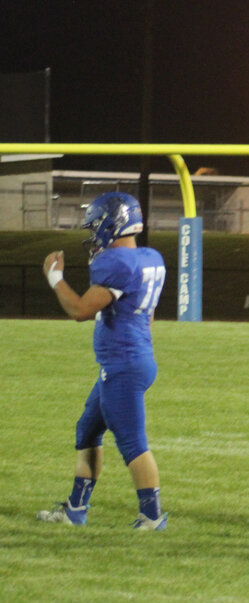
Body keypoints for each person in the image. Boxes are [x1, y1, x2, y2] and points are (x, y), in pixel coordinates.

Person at [37, 191, 168, 530]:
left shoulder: (116, 263)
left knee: (132, 442)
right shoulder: (150, 257)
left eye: (96, 224)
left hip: (123, 365)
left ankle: (152, 517)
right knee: (88, 431)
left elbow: (81, 309)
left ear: (113, 223)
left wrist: (55, 279)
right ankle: (75, 509)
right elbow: (148, 315)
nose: (94, 231)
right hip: (132, 359)